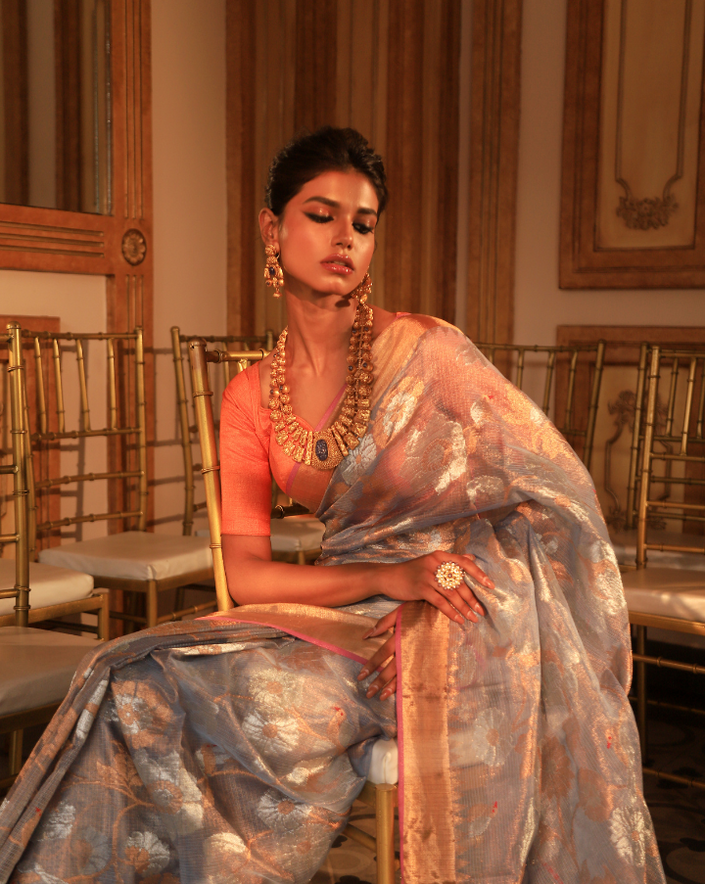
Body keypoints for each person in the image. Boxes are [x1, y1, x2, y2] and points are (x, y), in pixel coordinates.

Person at [0, 127, 665, 884]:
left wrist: (429, 596)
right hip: (345, 607)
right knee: (129, 685)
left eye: (363, 222)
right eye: (321, 214)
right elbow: (249, 575)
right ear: (270, 227)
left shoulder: (429, 356)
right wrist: (392, 578)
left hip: (459, 625)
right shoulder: (249, 398)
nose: (344, 238)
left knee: (232, 703)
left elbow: (554, 495)